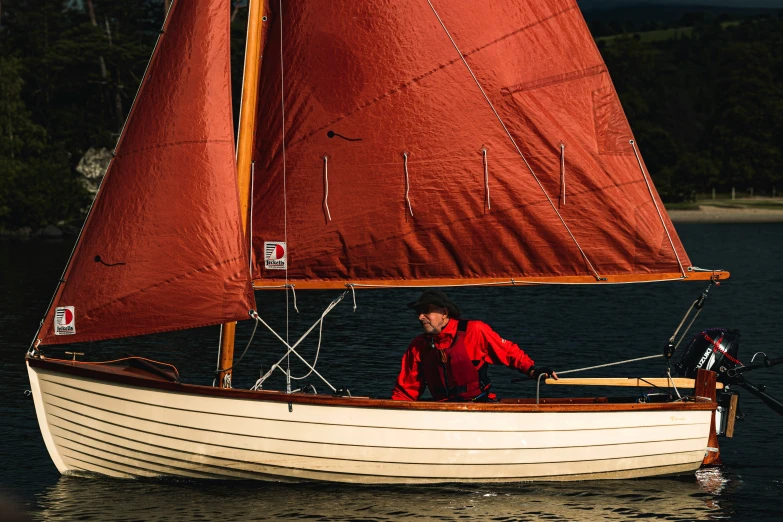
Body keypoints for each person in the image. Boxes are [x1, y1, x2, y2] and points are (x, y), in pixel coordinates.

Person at [391, 289, 557, 401]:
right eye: (418, 313)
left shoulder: (474, 331)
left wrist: (533, 370)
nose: (420, 317)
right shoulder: (418, 346)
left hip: (478, 407)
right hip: (441, 411)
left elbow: (508, 352)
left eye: (426, 311)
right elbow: (406, 389)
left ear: (444, 312)